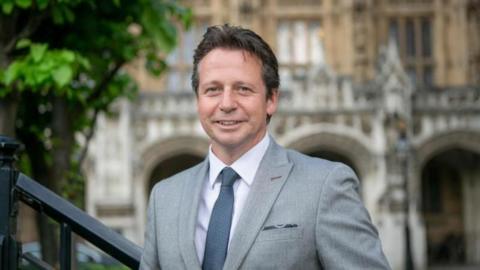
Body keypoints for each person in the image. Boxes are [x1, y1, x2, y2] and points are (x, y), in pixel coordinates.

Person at [140, 24, 391, 270]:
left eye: (243, 89)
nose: (226, 103)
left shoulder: (326, 186)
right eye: (213, 90)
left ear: (271, 99)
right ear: (198, 100)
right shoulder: (164, 197)